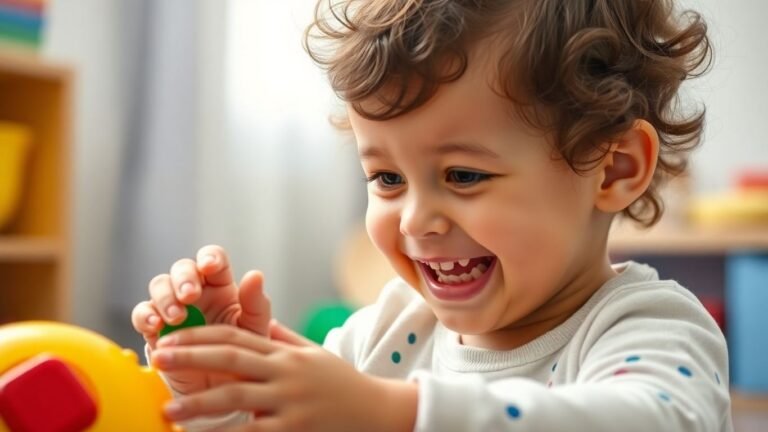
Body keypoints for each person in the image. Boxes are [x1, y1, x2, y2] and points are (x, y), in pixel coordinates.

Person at [131, 0, 733, 430]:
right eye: (387, 178)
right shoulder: (384, 336)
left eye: (464, 175)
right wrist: (225, 393)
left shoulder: (649, 329)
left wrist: (397, 415)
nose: (416, 221)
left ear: (614, 169)